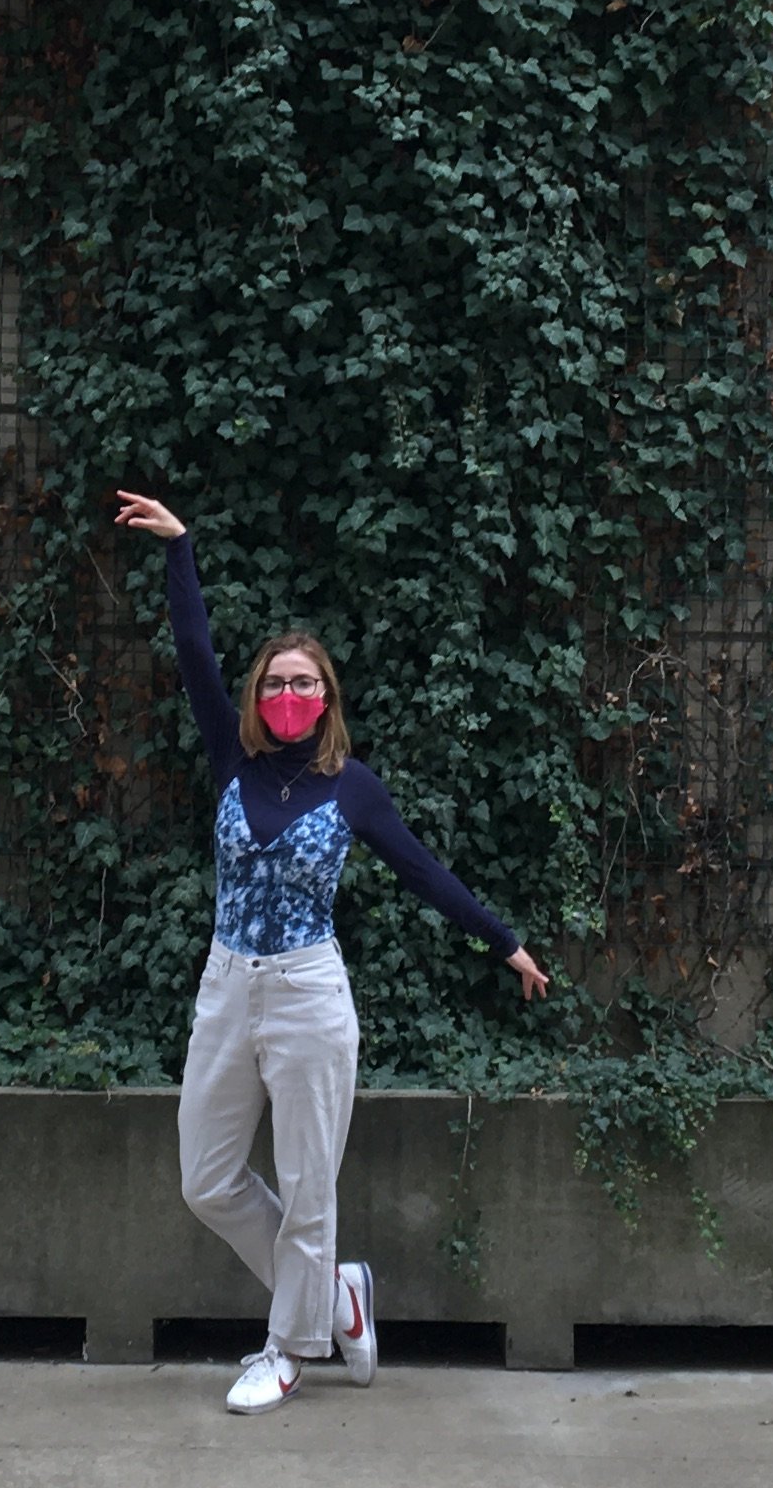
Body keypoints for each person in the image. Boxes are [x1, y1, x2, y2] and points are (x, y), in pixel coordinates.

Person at [113, 492, 550, 1414]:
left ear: (328, 699)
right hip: (229, 986)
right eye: (274, 682)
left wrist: (504, 943)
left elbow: (426, 873)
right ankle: (334, 1291)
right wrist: (180, 550)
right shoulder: (231, 766)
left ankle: (285, 1349)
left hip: (311, 992)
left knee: (311, 1187)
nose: (287, 695)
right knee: (206, 1178)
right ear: (256, 699)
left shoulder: (352, 788)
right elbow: (195, 653)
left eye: (304, 683)